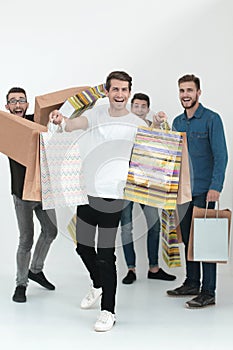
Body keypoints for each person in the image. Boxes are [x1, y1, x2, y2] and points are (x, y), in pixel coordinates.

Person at [49, 71, 163, 332]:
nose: (120, 95)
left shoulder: (137, 123)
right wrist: (61, 119)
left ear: (129, 92)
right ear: (108, 92)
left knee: (105, 254)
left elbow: (157, 144)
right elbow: (71, 125)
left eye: (124, 90)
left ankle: (108, 311)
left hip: (114, 197)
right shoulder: (96, 114)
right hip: (87, 192)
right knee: (82, 247)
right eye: (115, 90)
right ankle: (98, 284)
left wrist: (157, 124)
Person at [166, 74, 228, 308]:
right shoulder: (178, 123)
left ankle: (208, 291)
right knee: (187, 239)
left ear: (198, 93)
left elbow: (221, 155)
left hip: (204, 190)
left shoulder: (212, 119)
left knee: (205, 240)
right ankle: (191, 282)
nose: (185, 95)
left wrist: (216, 187)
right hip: (182, 192)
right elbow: (172, 157)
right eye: (182, 91)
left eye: (189, 90)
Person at [5, 87, 58, 303]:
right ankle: (21, 283)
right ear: (7, 106)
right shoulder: (6, 127)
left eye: (21, 101)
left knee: (51, 231)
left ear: (26, 105)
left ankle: (35, 269)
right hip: (21, 194)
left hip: (43, 191)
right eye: (13, 101)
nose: (17, 104)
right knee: (25, 240)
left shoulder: (37, 123)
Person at [121, 93, 176, 284]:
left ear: (148, 108)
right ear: (131, 107)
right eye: (136, 106)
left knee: (154, 224)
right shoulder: (123, 126)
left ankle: (154, 267)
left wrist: (158, 123)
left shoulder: (150, 127)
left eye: (143, 106)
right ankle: (131, 269)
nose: (139, 109)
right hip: (126, 183)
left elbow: (160, 146)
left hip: (147, 184)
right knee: (126, 227)